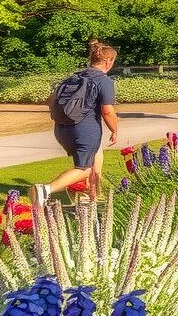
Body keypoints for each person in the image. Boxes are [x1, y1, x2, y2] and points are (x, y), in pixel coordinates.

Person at [31, 40, 121, 210]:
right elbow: (108, 111)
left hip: (62, 129)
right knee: (84, 169)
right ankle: (45, 190)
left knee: (96, 155)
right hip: (85, 130)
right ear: (109, 61)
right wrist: (114, 129)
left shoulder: (74, 77)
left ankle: (93, 196)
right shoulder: (104, 81)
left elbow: (50, 101)